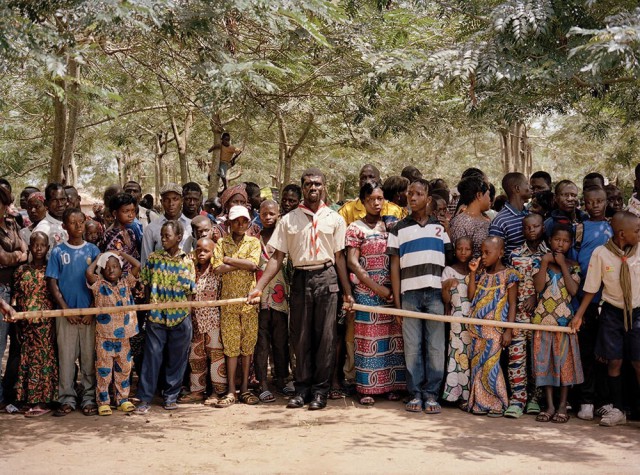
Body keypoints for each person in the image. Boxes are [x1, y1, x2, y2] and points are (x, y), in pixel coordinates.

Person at [247, 168, 353, 411]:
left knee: (326, 338)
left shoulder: (335, 219)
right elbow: (277, 257)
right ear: (302, 187)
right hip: (301, 278)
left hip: (327, 277)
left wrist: (347, 292)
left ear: (324, 186)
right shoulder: (289, 220)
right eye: (308, 184)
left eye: (317, 184)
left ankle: (320, 391)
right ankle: (302, 388)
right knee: (301, 336)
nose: (312, 188)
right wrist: (259, 288)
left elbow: (339, 258)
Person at [387, 178, 451, 414]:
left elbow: (450, 261)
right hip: (409, 296)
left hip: (435, 294)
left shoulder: (439, 228)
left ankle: (431, 393)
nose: (412, 198)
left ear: (428, 198)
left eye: (417, 194)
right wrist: (397, 301)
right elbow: (394, 267)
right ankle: (415, 393)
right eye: (409, 193)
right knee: (412, 346)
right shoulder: (398, 229)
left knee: (435, 345)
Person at [572, 211, 640, 427]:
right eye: (637, 230)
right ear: (622, 233)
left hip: (638, 312)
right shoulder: (601, 253)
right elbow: (591, 287)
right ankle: (618, 409)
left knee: (638, 362)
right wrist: (579, 315)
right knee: (614, 361)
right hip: (612, 313)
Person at [346, 183, 405, 406]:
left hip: (391, 292)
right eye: (372, 199)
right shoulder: (355, 228)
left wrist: (390, 291)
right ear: (363, 201)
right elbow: (352, 262)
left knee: (392, 339)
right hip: (366, 292)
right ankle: (366, 388)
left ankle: (390, 386)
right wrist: (378, 288)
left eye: (380, 198)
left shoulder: (390, 226)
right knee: (368, 340)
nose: (377, 203)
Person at [135, 220, 196, 414]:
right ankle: (144, 398)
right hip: (156, 317)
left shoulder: (187, 262)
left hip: (180, 317)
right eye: (161, 236)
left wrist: (187, 314)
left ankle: (171, 396)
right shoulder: (153, 258)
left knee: (177, 360)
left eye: (167, 236)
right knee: (151, 358)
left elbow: (190, 291)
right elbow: (144, 283)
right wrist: (147, 310)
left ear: (178, 238)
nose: (163, 239)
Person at [46, 207, 100, 417]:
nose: (78, 226)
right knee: (66, 359)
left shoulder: (93, 250)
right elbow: (52, 282)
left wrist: (92, 310)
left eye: (81, 222)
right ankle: (67, 398)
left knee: (88, 359)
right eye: (73, 222)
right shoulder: (58, 251)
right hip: (66, 315)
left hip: (88, 314)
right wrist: (65, 309)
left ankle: (88, 398)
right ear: (65, 225)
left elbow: (100, 282)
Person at [532, 224, 584, 423]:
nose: (560, 244)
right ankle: (550, 405)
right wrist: (545, 263)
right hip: (543, 322)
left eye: (565, 241)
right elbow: (538, 287)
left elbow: (573, 291)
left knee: (564, 365)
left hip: (564, 324)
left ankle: (563, 405)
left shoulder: (573, 265)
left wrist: (563, 265)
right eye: (556, 240)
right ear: (549, 241)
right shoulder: (540, 262)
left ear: (570, 243)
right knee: (545, 364)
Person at [570, 186, 613, 420]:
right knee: (585, 350)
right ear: (584, 204)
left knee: (604, 352)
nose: (595, 205)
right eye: (590, 202)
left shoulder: (613, 227)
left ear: (606, 202)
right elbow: (575, 262)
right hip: (583, 297)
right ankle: (585, 399)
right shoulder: (580, 228)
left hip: (607, 299)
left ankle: (604, 400)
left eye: (600, 201)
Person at [212, 206, 261, 407]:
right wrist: (242, 263)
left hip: (248, 303)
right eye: (236, 221)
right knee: (231, 348)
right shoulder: (222, 242)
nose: (240, 225)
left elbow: (253, 265)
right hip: (229, 303)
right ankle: (231, 391)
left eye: (244, 221)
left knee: (247, 347)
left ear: (248, 222)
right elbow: (217, 268)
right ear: (228, 223)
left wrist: (229, 260)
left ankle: (245, 390)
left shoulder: (254, 242)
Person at [466, 237, 519, 417]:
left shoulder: (510, 275)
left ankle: (497, 403)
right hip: (476, 331)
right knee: (477, 367)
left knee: (490, 366)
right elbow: (472, 296)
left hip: (494, 332)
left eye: (488, 253)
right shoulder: (482, 274)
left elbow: (512, 304)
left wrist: (508, 330)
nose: (483, 256)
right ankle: (480, 404)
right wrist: (473, 273)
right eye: (482, 252)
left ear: (501, 253)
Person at [86, 251, 140, 416]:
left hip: (124, 337)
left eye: (115, 266)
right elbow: (89, 273)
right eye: (107, 267)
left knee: (124, 370)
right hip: (104, 337)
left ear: (121, 269)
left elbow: (137, 265)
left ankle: (122, 399)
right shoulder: (99, 286)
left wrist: (121, 253)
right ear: (102, 270)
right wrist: (98, 258)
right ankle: (103, 402)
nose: (111, 270)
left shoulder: (126, 283)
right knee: (104, 371)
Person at [12, 231, 58, 417]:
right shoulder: (21, 271)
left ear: (48, 248)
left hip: (46, 325)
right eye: (35, 244)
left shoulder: (51, 270)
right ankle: (28, 398)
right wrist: (17, 324)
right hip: (26, 325)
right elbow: (15, 298)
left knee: (45, 361)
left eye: (42, 245)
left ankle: (43, 400)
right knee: (28, 360)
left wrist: (54, 325)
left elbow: (55, 298)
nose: (38, 248)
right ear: (29, 247)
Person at [509, 213, 549, 417]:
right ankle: (517, 399)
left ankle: (535, 398)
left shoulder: (550, 255)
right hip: (518, 316)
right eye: (527, 227)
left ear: (543, 227)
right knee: (517, 358)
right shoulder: (515, 255)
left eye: (536, 226)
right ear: (523, 230)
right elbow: (511, 287)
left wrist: (535, 296)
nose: (531, 230)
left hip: (541, 316)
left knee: (538, 359)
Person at [179, 237, 226, 405]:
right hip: (195, 321)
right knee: (196, 357)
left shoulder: (217, 270)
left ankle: (217, 392)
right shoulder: (191, 270)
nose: (202, 253)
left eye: (206, 250)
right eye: (199, 250)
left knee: (216, 357)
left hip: (213, 321)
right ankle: (197, 391)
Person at [254, 200, 291, 403]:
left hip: (281, 300)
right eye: (264, 213)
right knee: (262, 343)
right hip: (260, 300)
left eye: (272, 214)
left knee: (280, 342)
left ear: (279, 215)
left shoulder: (285, 239)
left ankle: (281, 379)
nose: (268, 217)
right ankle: (262, 383)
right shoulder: (254, 240)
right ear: (259, 214)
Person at [0, 182, 28, 409]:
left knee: (18, 347)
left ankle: (10, 393)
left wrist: (17, 254)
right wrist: (16, 254)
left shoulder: (11, 224)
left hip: (17, 291)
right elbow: (4, 259)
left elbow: (25, 250)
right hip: (1, 291)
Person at [441, 237, 473, 406]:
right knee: (456, 356)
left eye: (467, 249)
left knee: (470, 358)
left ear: (472, 252)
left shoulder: (476, 270)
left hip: (473, 321)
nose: (463, 252)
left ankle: (469, 397)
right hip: (456, 321)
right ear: (455, 250)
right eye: (460, 249)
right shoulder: (449, 271)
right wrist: (446, 286)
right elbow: (446, 300)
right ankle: (454, 395)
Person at [140, 183, 192, 265]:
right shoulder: (151, 228)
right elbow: (146, 260)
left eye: (175, 199)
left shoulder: (190, 225)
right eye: (167, 200)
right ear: (162, 202)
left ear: (182, 200)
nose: (171, 204)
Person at [488, 172, 531, 262]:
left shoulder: (529, 213)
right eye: (527, 183)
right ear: (517, 188)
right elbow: (495, 255)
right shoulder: (500, 221)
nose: (530, 187)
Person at [449, 176, 491, 258]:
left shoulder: (486, 219)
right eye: (488, 195)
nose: (490, 199)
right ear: (479, 195)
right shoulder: (460, 223)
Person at [100, 192, 140, 260]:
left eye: (133, 211)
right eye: (126, 211)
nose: (131, 215)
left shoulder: (130, 233)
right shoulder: (110, 235)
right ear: (115, 213)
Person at [33, 183, 68, 250]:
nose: (60, 204)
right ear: (46, 203)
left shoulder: (69, 223)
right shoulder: (43, 229)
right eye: (54, 200)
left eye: (63, 199)